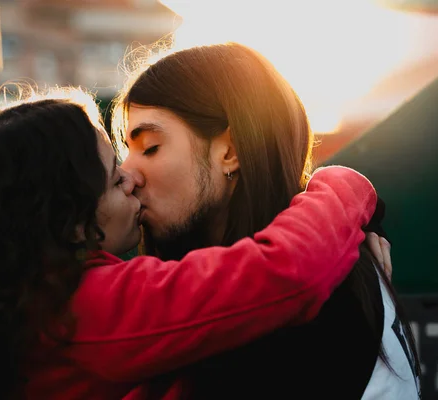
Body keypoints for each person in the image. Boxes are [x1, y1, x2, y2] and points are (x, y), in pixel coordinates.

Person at [0, 87, 380, 400]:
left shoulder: (22, 303)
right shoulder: (87, 307)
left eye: (145, 150)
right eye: (112, 177)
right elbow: (288, 270)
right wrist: (343, 184)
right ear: (67, 219)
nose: (132, 178)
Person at [112, 42, 421, 399]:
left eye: (150, 147)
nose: (128, 174)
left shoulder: (294, 306)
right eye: (125, 151)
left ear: (230, 151)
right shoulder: (327, 265)